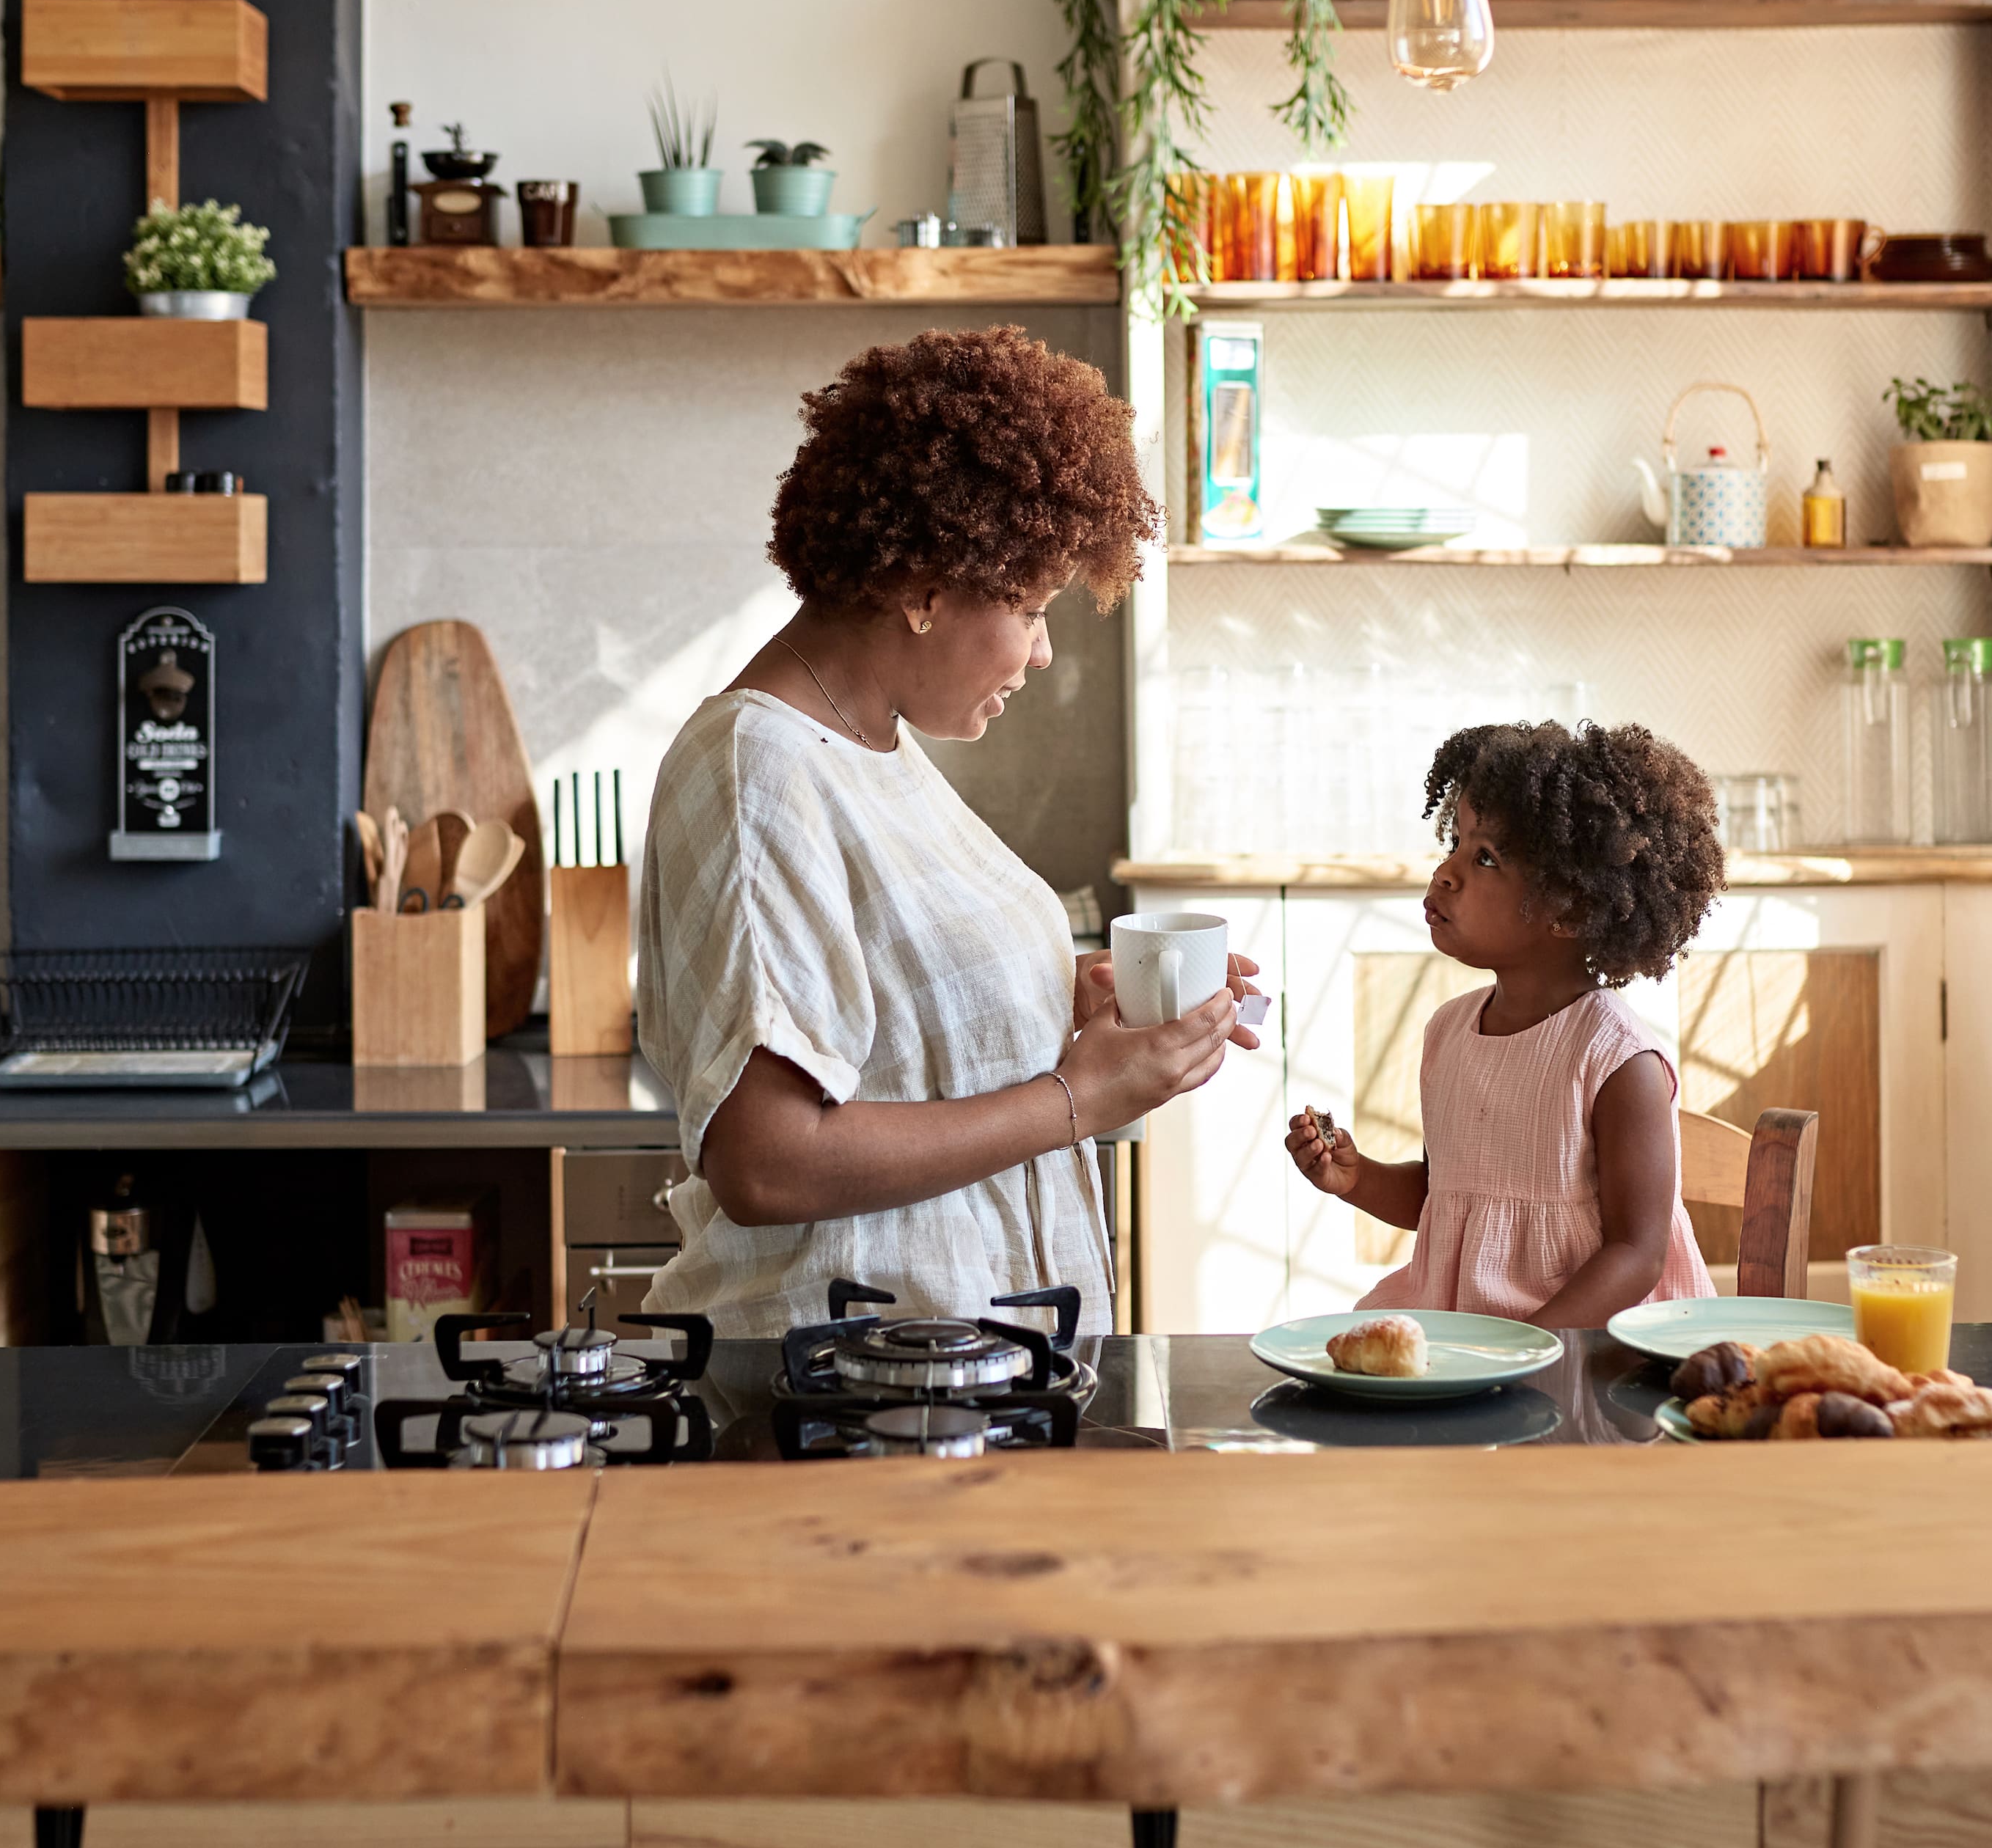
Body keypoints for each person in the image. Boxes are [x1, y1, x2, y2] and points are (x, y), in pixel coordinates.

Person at [637, 327, 1259, 1335]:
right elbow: (766, 1157)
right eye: (1031, 604)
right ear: (924, 588)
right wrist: (1076, 1099)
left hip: (957, 1388)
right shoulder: (759, 765)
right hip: (845, 1400)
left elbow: (882, 1018)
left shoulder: (871, 744)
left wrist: (1062, 994)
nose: (1045, 651)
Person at [1286, 721, 1723, 1329]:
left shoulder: (1617, 1062)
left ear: (1567, 908)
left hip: (1592, 1354)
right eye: (1456, 843)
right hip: (1471, 1339)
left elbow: (1638, 1256)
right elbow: (1448, 1198)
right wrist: (1357, 1179)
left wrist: (1527, 1348)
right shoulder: (1449, 1032)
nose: (1445, 872)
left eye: (1486, 857)